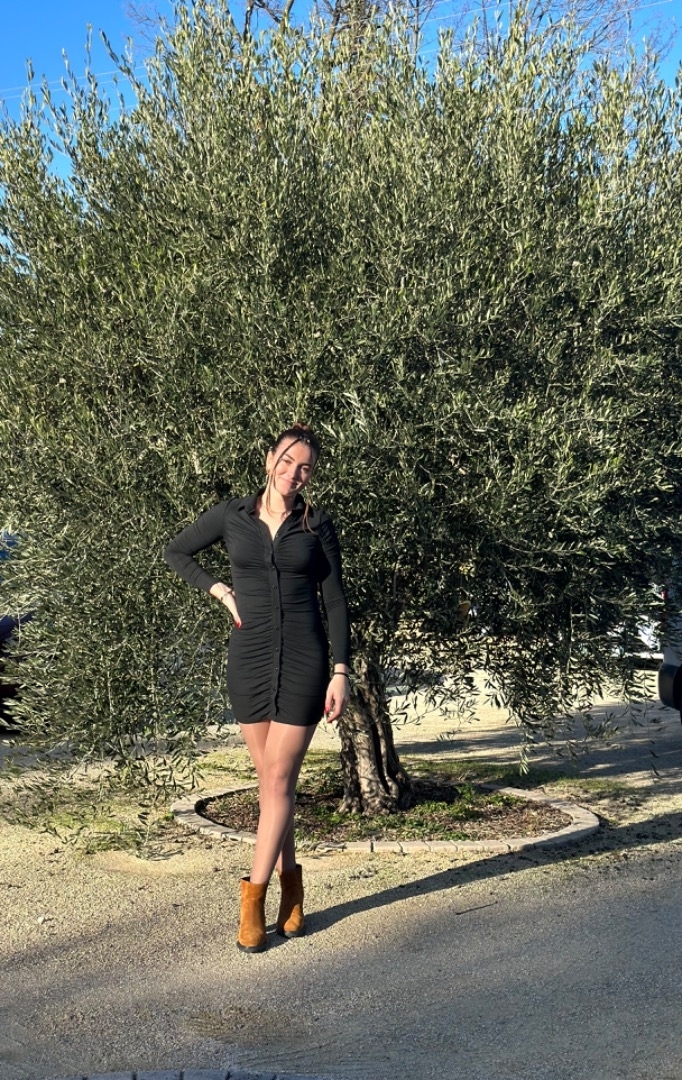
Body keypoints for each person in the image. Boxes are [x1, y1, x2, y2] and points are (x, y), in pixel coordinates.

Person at [164, 423, 351, 953]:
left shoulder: (316, 524)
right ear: (270, 460)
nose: (294, 473)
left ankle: (254, 899)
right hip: (248, 659)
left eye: (305, 468)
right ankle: (293, 892)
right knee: (272, 784)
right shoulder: (233, 516)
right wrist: (220, 591)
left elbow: (336, 601)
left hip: (305, 660)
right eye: (287, 461)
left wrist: (341, 671)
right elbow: (176, 552)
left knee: (279, 781)